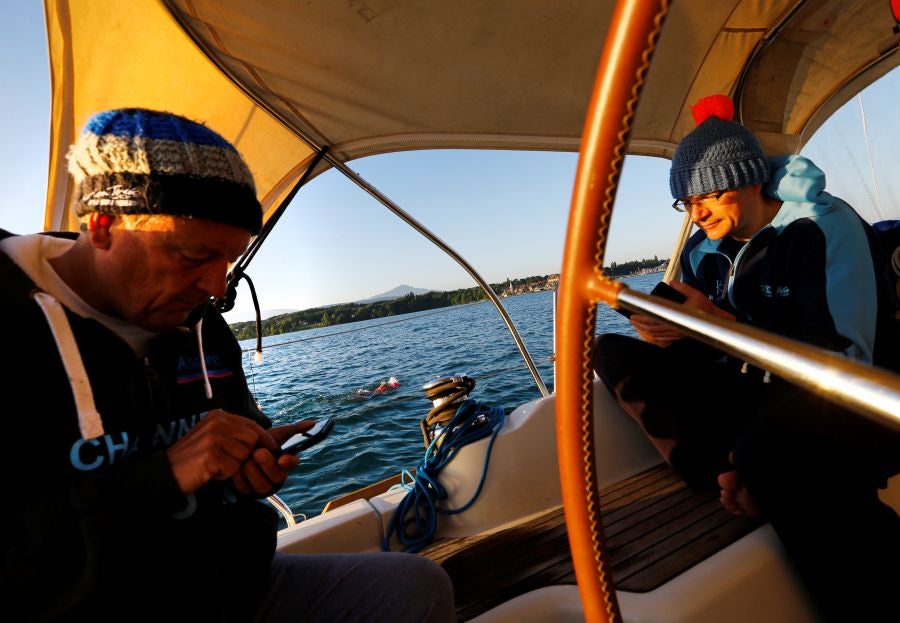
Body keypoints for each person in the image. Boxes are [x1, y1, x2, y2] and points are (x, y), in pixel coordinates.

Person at [0, 108, 454, 622]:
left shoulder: (199, 322)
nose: (217, 288)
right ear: (104, 226)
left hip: (228, 588)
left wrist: (250, 463)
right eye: (195, 257)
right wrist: (166, 474)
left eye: (230, 261)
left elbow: (227, 423)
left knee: (415, 589)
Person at [593, 95, 900, 621]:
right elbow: (709, 347)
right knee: (611, 353)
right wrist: (674, 332)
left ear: (752, 180)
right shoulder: (700, 251)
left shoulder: (819, 231)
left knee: (770, 447)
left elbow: (847, 358)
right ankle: (726, 475)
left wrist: (725, 327)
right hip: (754, 391)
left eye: (709, 194)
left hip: (849, 398)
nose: (698, 213)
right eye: (686, 203)